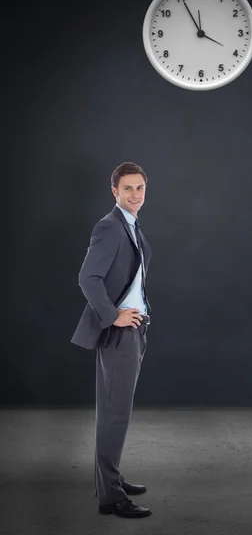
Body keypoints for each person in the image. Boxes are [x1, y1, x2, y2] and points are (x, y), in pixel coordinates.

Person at [71, 161, 152, 519]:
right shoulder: (109, 227)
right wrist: (114, 316)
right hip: (118, 332)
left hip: (135, 329)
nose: (135, 194)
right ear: (114, 192)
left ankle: (110, 479)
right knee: (114, 415)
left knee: (116, 413)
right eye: (128, 188)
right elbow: (89, 278)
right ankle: (110, 498)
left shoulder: (130, 225)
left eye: (140, 188)